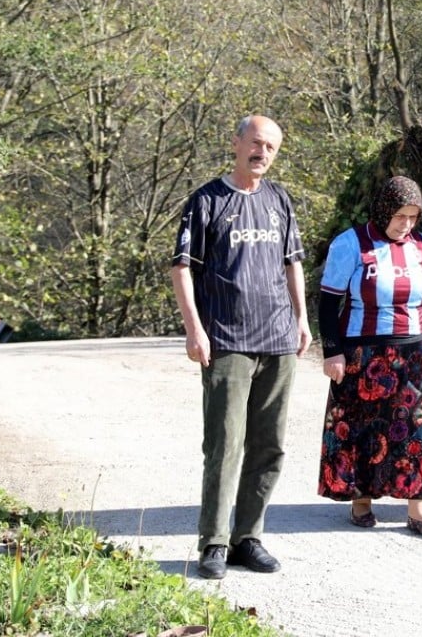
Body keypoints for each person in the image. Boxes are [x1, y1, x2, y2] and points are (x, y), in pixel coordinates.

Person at [170, 115, 312, 579]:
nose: (263, 153)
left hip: (277, 340)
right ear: (236, 143)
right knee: (225, 445)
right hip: (227, 341)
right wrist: (195, 329)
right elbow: (182, 268)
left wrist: (302, 319)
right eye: (256, 143)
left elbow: (293, 263)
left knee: (269, 446)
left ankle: (248, 537)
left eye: (271, 147)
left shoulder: (279, 200)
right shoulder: (207, 201)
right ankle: (213, 542)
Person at [316, 176, 422, 538]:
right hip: (363, 352)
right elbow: (329, 304)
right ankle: (362, 500)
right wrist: (333, 352)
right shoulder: (351, 244)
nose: (405, 224)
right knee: (364, 428)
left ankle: (418, 509)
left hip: (416, 353)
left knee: (416, 432)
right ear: (382, 209)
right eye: (399, 215)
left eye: (412, 217)